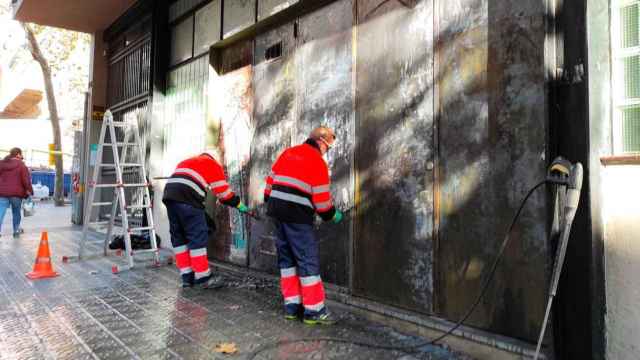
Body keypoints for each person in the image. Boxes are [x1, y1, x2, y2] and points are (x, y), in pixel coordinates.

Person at [264, 126, 343, 325]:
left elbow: (269, 184)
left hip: (276, 210)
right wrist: (332, 215)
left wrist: (273, 202)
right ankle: (314, 310)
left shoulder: (288, 152)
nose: (327, 151)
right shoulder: (318, 162)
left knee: (287, 259)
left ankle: (292, 307)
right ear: (321, 142)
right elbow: (323, 203)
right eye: (328, 147)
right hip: (297, 214)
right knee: (307, 259)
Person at [162, 151, 250, 289]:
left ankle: (187, 277)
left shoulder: (187, 161)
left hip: (170, 195)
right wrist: (239, 204)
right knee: (197, 235)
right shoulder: (213, 165)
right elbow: (224, 194)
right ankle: (202, 276)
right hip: (188, 196)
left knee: (179, 236)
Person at [0, 148, 33, 238]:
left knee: (1, 211)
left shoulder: (2, 163)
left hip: (2, 193)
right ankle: (16, 230)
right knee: (16, 212)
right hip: (16, 194)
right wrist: (30, 191)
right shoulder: (22, 165)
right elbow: (26, 180)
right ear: (18, 154)